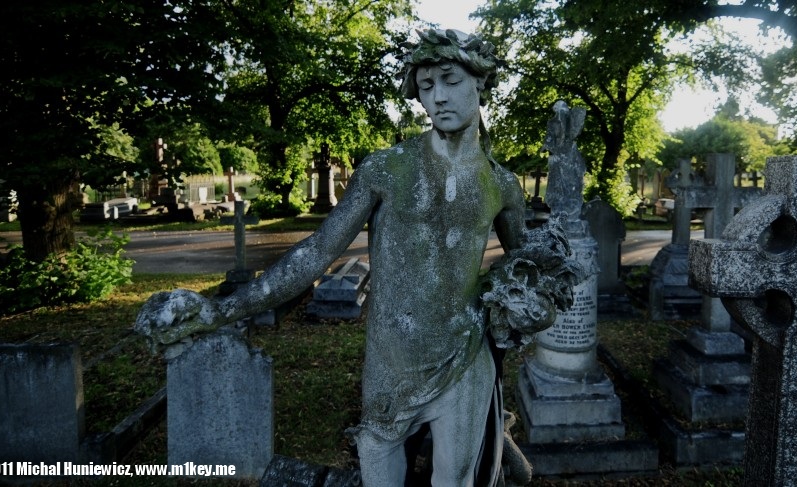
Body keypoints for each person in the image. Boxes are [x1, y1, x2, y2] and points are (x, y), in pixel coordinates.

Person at [136, 29, 571, 486]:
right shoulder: (386, 169)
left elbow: (528, 267)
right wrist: (222, 309)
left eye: (450, 80)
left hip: (463, 355)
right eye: (426, 86)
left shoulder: (502, 185)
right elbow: (318, 251)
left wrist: (534, 304)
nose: (438, 97)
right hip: (391, 360)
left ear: (479, 83)